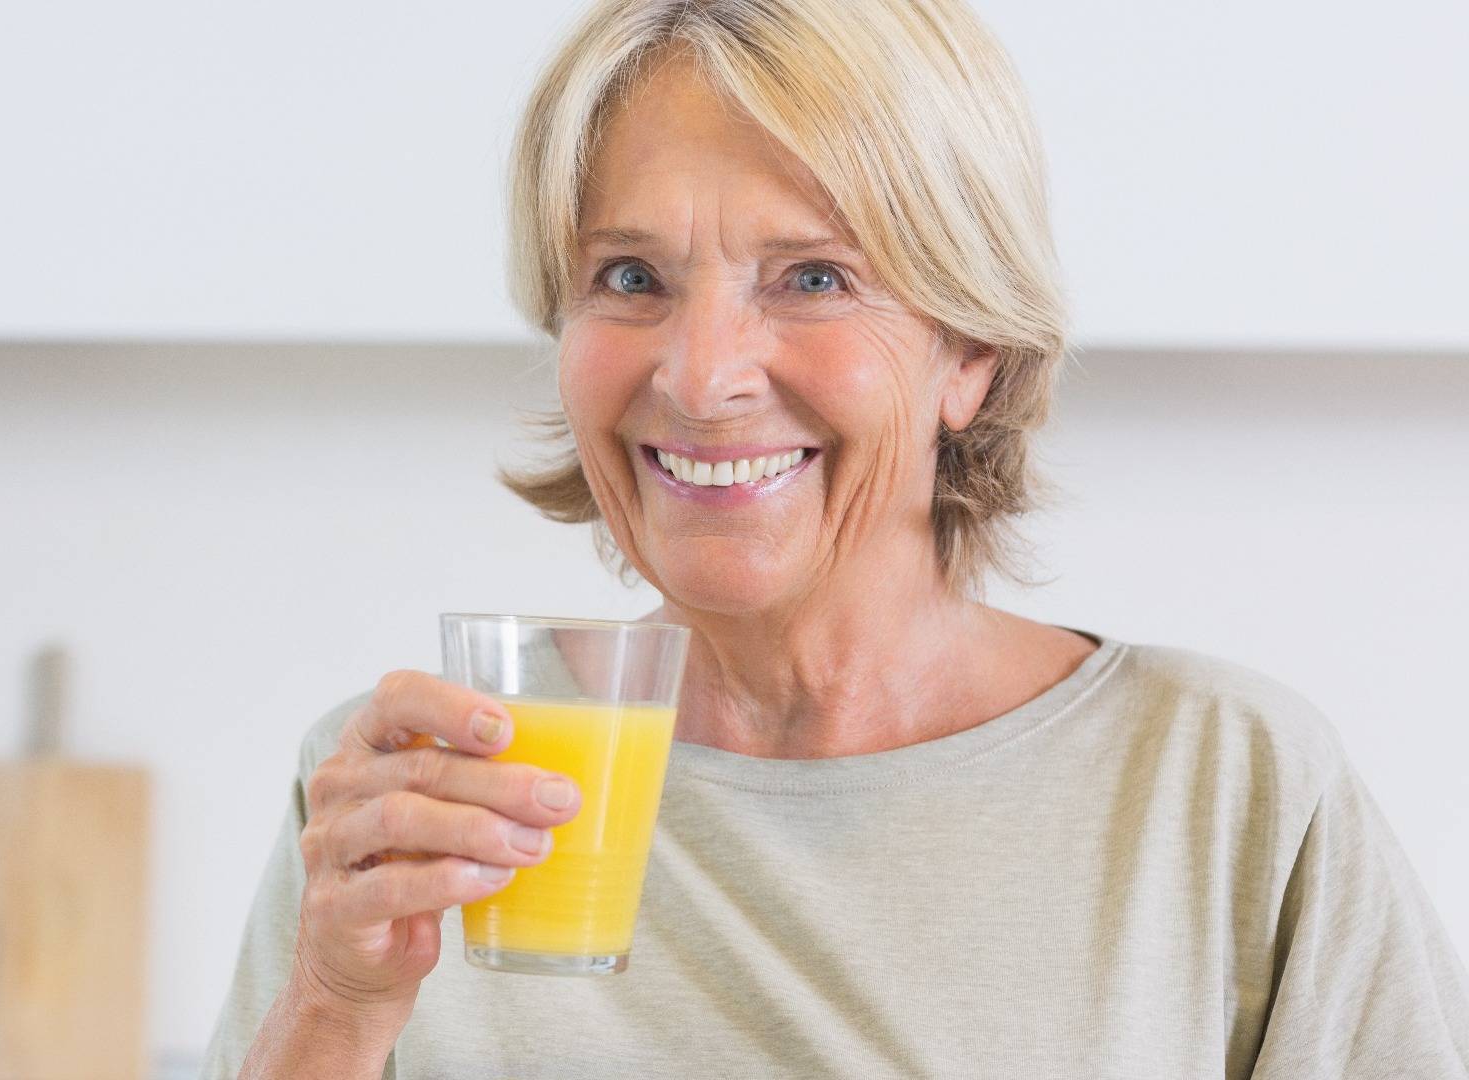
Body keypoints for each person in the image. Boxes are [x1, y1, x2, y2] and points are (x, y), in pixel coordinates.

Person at [198, 0, 1469, 1076]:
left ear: (970, 346)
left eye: (812, 278)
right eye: (630, 278)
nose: (701, 378)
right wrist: (336, 1007)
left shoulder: (1227, 787)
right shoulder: (410, 798)